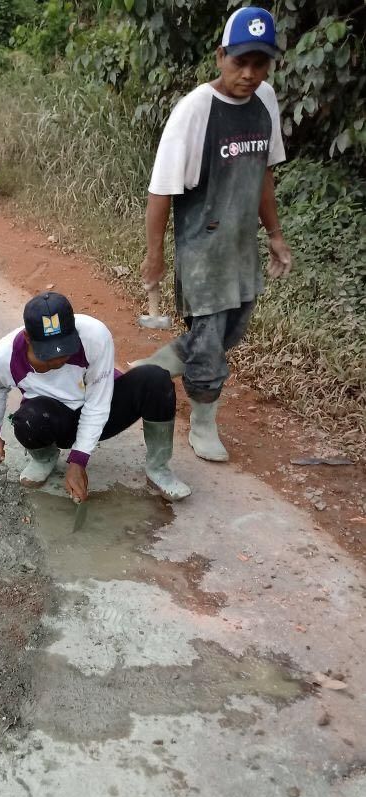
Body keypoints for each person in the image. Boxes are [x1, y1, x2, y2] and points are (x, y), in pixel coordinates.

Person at [133, 6, 292, 462]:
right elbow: (160, 192)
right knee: (209, 345)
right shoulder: (194, 111)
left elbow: (264, 175)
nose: (248, 74)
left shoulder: (266, 102)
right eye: (239, 61)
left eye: (259, 64)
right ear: (221, 55)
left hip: (241, 247)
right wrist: (154, 257)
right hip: (202, 250)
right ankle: (203, 424)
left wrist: (275, 235)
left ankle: (154, 368)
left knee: (227, 333)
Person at [0, 292, 191, 503]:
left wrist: (78, 460)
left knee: (155, 379)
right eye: (50, 353)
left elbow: (98, 403)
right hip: (55, 421)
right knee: (28, 420)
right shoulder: (4, 356)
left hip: (103, 410)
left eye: (65, 348)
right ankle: (45, 458)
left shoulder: (94, 336)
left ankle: (158, 469)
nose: (60, 358)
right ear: (27, 338)